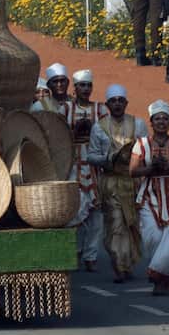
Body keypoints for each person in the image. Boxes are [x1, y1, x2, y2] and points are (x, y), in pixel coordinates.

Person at [87, 84, 148, 283]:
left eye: (121, 101)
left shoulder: (138, 124)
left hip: (132, 183)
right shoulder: (99, 127)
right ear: (107, 104)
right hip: (111, 182)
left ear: (126, 103)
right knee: (115, 224)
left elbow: (146, 151)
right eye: (113, 101)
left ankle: (128, 263)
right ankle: (119, 266)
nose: (117, 104)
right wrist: (108, 159)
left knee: (132, 225)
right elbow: (91, 156)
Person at [130, 100, 169, 295]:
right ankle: (158, 271)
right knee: (153, 236)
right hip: (150, 195)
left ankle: (160, 280)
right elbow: (132, 171)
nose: (161, 122)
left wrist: (168, 168)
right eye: (157, 119)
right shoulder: (141, 144)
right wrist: (151, 169)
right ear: (151, 122)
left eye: (165, 119)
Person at [67, 68, 104, 272]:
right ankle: (75, 251)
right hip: (73, 167)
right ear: (75, 88)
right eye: (82, 85)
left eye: (89, 85)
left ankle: (91, 255)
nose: (86, 89)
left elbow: (108, 136)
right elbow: (58, 135)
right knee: (75, 212)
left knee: (97, 216)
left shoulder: (101, 110)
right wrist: (74, 131)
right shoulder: (65, 110)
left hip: (95, 166)